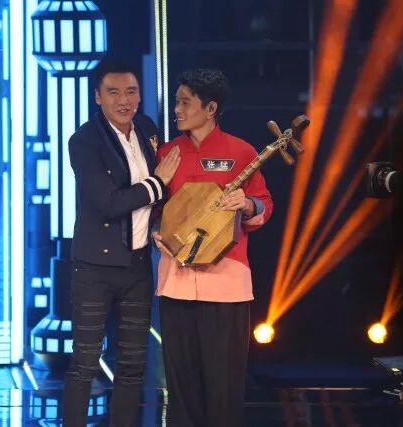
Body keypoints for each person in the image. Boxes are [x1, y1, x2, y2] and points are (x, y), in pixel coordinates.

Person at [63, 59, 180, 427]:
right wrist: (157, 184)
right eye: (113, 92)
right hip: (95, 268)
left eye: (131, 91)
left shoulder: (147, 129)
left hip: (137, 266)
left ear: (140, 95)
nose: (123, 100)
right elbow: (109, 202)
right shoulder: (84, 141)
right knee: (85, 362)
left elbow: (157, 199)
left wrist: (161, 221)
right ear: (98, 97)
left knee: (132, 364)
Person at [154, 68, 273, 427]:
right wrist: (156, 231)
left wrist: (247, 204)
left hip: (226, 284)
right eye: (176, 102)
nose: (177, 110)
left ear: (211, 108)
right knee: (181, 386)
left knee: (224, 386)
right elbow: (155, 209)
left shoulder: (242, 151)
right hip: (176, 281)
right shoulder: (167, 152)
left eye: (185, 103)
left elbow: (264, 203)